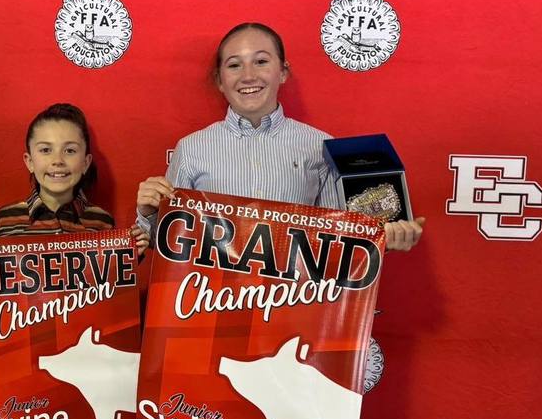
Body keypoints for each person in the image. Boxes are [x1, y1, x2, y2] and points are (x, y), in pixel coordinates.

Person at [136, 22, 425, 252]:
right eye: (234, 65)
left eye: (261, 61)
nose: (248, 75)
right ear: (219, 81)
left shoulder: (319, 146)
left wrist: (383, 237)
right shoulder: (192, 149)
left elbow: (341, 240)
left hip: (295, 307)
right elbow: (167, 243)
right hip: (213, 305)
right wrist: (148, 213)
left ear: (283, 72)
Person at [0, 103, 147, 273]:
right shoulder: (6, 219)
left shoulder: (101, 221)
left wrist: (131, 257)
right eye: (45, 150)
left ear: (86, 163)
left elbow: (110, 287)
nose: (57, 160)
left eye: (69, 150)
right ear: (30, 161)